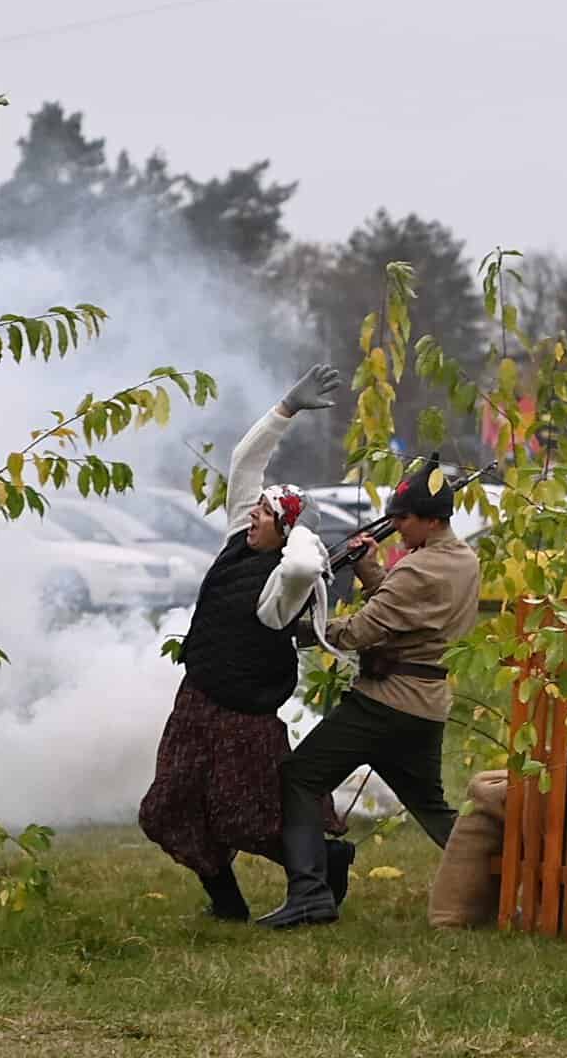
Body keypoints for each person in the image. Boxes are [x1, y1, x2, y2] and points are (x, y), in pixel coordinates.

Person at [137, 363, 352, 921]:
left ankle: (326, 864)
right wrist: (286, 409)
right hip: (196, 702)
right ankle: (227, 904)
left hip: (245, 721)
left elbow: (302, 563)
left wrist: (303, 531)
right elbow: (244, 461)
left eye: (265, 514)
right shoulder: (240, 536)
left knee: (247, 819)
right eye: (255, 509)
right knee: (168, 809)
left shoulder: (287, 581)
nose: (252, 516)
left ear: (285, 531)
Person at [257, 455, 481, 928]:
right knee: (433, 810)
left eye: (404, 517)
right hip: (424, 706)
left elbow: (360, 631)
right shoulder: (462, 560)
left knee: (301, 776)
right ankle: (500, 883)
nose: (396, 525)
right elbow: (406, 610)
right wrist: (371, 571)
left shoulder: (417, 569)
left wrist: (296, 629)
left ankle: (309, 895)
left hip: (384, 703)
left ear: (431, 519)